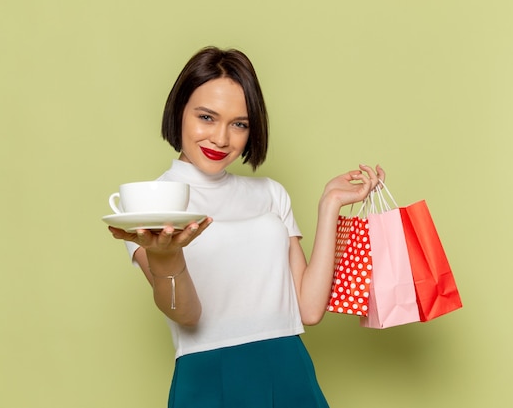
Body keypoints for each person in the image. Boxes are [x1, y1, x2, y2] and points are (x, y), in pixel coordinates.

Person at [108, 46, 384, 408]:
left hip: (289, 368)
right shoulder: (149, 203)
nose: (222, 139)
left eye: (239, 124)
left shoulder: (270, 194)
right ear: (179, 112)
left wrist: (329, 206)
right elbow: (187, 316)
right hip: (208, 377)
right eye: (206, 117)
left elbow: (308, 310)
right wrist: (167, 256)